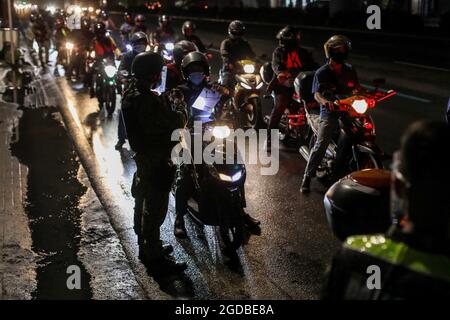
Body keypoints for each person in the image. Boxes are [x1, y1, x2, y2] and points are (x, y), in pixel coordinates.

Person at [323, 121, 450, 299]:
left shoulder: (351, 255)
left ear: (397, 186)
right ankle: (312, 171)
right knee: (324, 136)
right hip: (333, 113)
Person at [173, 51, 260, 238]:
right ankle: (179, 217)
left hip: (213, 132)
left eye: (199, 69)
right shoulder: (179, 90)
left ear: (205, 71)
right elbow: (174, 109)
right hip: (188, 134)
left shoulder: (212, 87)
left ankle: (240, 211)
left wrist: (229, 95)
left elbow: (230, 98)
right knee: (186, 173)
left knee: (235, 166)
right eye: (192, 70)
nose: (196, 73)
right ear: (186, 72)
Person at [121, 51, 188, 276]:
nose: (161, 76)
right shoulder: (147, 100)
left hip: (143, 157)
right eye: (158, 71)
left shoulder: (131, 93)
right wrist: (178, 107)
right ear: (151, 74)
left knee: (142, 202)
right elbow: (173, 125)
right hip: (155, 159)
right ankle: (155, 258)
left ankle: (147, 247)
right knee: (155, 210)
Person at [300, 35, 362, 193]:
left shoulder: (349, 69)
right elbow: (316, 94)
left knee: (363, 130)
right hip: (331, 111)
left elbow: (356, 88)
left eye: (344, 49)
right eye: (340, 49)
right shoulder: (322, 72)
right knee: (322, 142)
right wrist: (325, 102)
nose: (343, 52)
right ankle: (307, 177)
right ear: (331, 51)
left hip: (349, 110)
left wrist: (367, 94)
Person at [266, 26, 318, 150]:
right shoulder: (279, 52)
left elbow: (313, 65)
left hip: (301, 85)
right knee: (279, 107)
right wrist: (282, 73)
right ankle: (269, 139)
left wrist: (322, 71)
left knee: (316, 103)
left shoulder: (303, 52)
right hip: (284, 85)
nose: (298, 38)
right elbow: (276, 65)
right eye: (296, 36)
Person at [115, 31, 149, 150]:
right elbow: (121, 70)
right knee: (124, 110)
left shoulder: (150, 56)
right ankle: (121, 138)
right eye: (138, 43)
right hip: (132, 88)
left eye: (142, 42)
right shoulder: (128, 56)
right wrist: (124, 79)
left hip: (148, 89)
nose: (140, 45)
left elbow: (160, 68)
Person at [86, 22, 121, 97]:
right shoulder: (94, 41)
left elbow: (115, 48)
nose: (100, 34)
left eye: (101, 31)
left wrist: (119, 55)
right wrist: (90, 57)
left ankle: (120, 89)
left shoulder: (109, 39)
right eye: (98, 32)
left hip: (109, 61)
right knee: (90, 73)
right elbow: (90, 50)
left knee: (117, 74)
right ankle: (92, 88)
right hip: (99, 62)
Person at [219, 20, 256, 90]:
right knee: (225, 88)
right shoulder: (226, 42)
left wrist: (257, 60)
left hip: (243, 68)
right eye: (235, 32)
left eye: (239, 32)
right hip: (229, 68)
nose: (237, 34)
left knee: (254, 81)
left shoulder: (244, 43)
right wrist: (228, 62)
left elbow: (251, 54)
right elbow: (224, 53)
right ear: (230, 31)